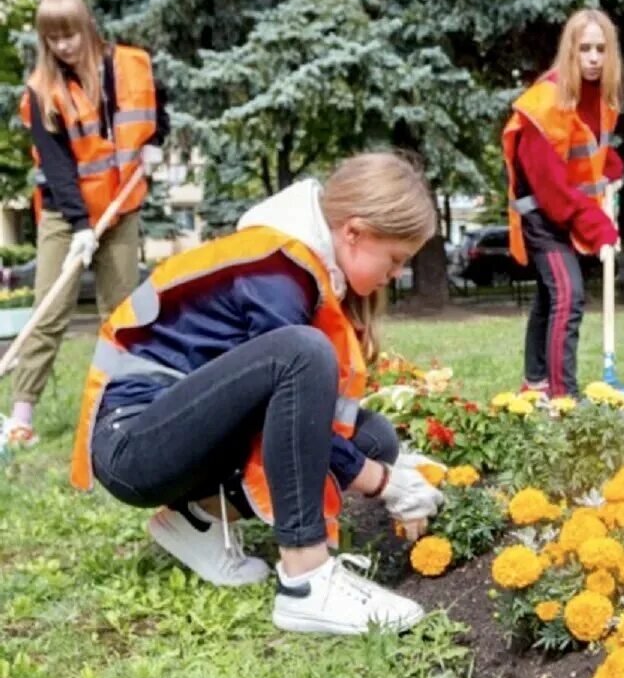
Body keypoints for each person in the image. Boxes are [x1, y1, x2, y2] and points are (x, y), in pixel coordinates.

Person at [72, 151, 446, 635]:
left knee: (370, 439)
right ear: (353, 232)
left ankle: (197, 519)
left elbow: (297, 419)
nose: (394, 275)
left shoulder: (299, 266)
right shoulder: (277, 270)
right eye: (395, 260)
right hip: (133, 443)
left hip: (172, 431)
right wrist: (383, 483)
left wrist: (383, 468)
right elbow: (292, 372)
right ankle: (307, 581)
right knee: (302, 353)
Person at [6, 0, 170, 444]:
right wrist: (79, 226)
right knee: (48, 310)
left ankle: (125, 406)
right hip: (65, 215)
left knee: (120, 312)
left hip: (120, 207)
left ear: (86, 27)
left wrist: (157, 140)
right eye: (53, 38)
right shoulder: (42, 92)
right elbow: (57, 166)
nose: (63, 46)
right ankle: (22, 417)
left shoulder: (130, 65)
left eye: (70, 34)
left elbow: (160, 105)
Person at [502, 8, 624, 397]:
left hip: (565, 214)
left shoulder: (599, 100)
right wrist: (599, 228)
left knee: (548, 296)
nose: (592, 57)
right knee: (567, 295)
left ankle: (534, 385)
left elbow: (587, 154)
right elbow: (552, 186)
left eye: (600, 49)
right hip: (542, 216)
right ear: (569, 51)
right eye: (584, 48)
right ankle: (561, 399)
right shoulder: (546, 101)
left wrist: (612, 170)